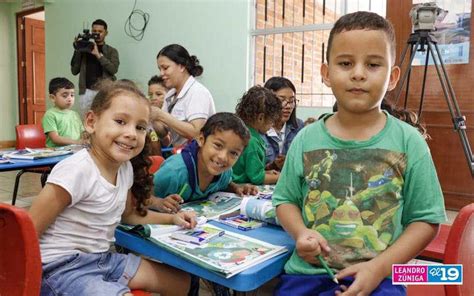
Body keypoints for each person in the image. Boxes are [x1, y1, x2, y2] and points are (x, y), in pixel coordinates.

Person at [272, 11, 446, 296]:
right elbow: (285, 200)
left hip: (382, 278)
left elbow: (426, 220)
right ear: (326, 74)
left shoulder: (409, 142)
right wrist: (300, 233)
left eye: (373, 64)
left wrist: (378, 268)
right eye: (345, 63)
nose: (358, 73)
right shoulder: (306, 138)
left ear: (392, 77)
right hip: (308, 275)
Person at [29, 80, 195, 296]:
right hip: (61, 269)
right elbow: (28, 231)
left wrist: (172, 219)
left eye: (140, 127)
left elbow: (129, 216)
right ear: (91, 122)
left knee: (182, 281)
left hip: (103, 260)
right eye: (120, 121)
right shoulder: (76, 170)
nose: (132, 133)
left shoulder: (125, 168)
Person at [151, 112, 258, 213]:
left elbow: (224, 183)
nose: (223, 157)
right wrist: (158, 203)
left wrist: (236, 187)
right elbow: (138, 197)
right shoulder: (173, 171)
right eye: (218, 145)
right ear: (201, 139)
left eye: (233, 153)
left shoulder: (224, 171)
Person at [151, 44, 215, 147]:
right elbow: (164, 134)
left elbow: (197, 133)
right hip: (179, 154)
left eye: (165, 68)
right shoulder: (170, 96)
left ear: (181, 66)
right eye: (160, 69)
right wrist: (150, 117)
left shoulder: (197, 92)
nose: (161, 73)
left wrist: (161, 115)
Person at [233, 86, 282, 185]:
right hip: (238, 187)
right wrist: (282, 177)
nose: (272, 125)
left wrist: (266, 172)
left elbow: (249, 171)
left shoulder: (239, 132)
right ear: (260, 118)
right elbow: (257, 178)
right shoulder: (252, 142)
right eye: (272, 121)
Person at [71, 19, 119, 116]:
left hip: (105, 91)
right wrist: (77, 49)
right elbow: (74, 71)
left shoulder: (111, 51)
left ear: (106, 33)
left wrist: (98, 55)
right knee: (86, 120)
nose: (97, 34)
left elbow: (114, 69)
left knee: (104, 118)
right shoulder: (85, 49)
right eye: (94, 31)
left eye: (100, 32)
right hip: (86, 91)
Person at [263, 77, 304, 171]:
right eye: (282, 100)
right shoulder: (257, 129)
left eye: (292, 100)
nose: (288, 106)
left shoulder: (299, 127)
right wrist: (273, 166)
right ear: (267, 101)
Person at [42, 77, 84, 148]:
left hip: (74, 150)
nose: (70, 99)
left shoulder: (75, 114)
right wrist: (77, 142)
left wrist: (86, 135)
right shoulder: (50, 114)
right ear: (53, 98)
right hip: (55, 153)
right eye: (65, 95)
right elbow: (55, 139)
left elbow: (82, 132)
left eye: (72, 95)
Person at [147, 75, 170, 155]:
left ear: (169, 94)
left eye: (158, 94)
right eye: (150, 95)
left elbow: (166, 137)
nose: (153, 98)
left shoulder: (171, 112)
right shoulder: (147, 111)